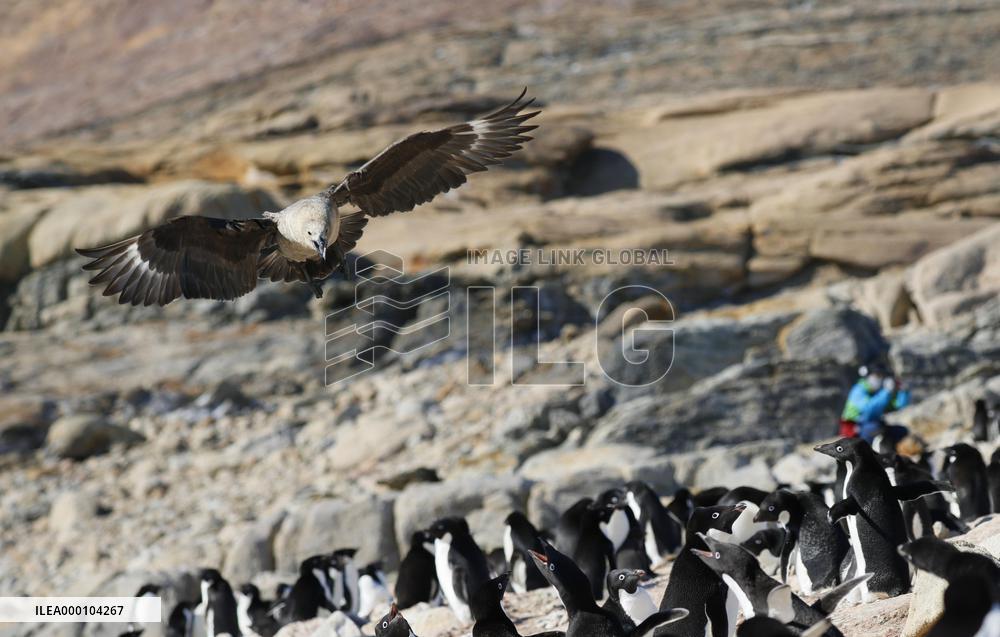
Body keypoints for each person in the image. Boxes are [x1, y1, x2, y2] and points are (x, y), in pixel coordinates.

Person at [840, 364, 910, 446]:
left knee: (901, 431)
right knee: (875, 429)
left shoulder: (878, 393)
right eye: (877, 375)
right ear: (868, 376)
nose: (880, 379)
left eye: (882, 376)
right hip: (855, 429)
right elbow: (868, 411)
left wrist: (903, 392)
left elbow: (896, 406)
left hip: (874, 425)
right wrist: (886, 392)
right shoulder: (858, 390)